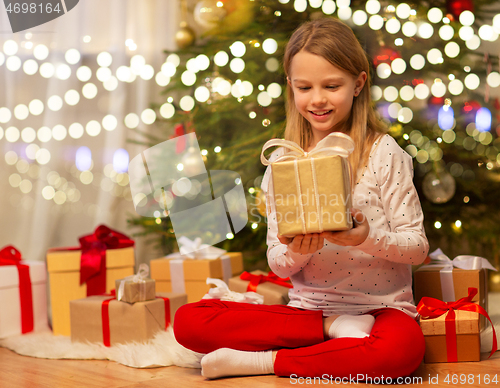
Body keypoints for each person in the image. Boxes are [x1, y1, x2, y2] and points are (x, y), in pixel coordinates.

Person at [174, 17, 429, 381]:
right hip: (308, 313)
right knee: (189, 321)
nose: (318, 99)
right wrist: (299, 250)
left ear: (358, 84)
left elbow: (417, 247)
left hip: (381, 312)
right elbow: (279, 265)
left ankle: (266, 362)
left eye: (332, 85)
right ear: (290, 86)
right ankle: (333, 329)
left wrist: (366, 237)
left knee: (401, 352)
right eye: (305, 87)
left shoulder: (383, 152)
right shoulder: (281, 161)